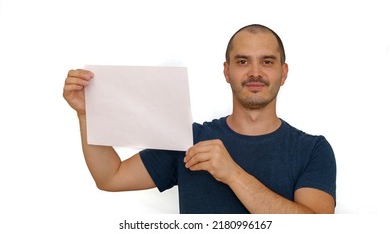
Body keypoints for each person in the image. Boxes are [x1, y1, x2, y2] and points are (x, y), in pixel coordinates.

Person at [63, 24, 336, 214]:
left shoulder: (313, 149)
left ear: (283, 72)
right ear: (227, 71)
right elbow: (110, 177)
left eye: (267, 61)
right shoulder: (189, 139)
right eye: (242, 62)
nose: (255, 72)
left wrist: (233, 174)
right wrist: (88, 114)